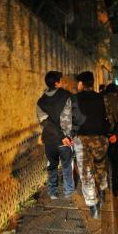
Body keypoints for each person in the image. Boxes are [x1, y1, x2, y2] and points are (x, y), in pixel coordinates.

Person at [71, 71, 111, 219]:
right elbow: (110, 117)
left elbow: (66, 120)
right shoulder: (103, 98)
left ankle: (93, 206)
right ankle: (101, 190)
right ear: (92, 82)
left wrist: (69, 135)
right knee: (100, 167)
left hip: (81, 141)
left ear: (81, 83)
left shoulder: (73, 99)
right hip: (100, 139)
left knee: (86, 173)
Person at [37, 71, 75, 200]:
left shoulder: (40, 101)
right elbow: (72, 118)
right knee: (66, 165)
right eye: (61, 80)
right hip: (65, 139)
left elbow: (45, 122)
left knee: (51, 165)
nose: (63, 82)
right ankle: (68, 191)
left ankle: (52, 192)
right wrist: (68, 136)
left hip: (49, 140)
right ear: (57, 82)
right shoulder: (67, 96)